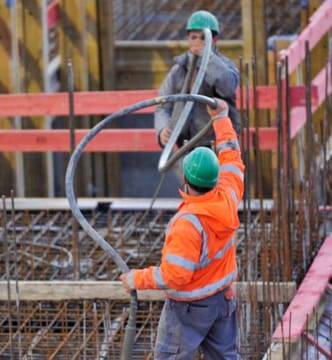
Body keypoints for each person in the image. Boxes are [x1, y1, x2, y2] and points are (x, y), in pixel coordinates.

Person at [121, 98, 244, 359]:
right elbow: (232, 155)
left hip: (189, 308)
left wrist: (137, 279)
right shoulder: (228, 196)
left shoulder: (188, 223)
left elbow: (175, 275)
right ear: (215, 177)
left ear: (186, 179)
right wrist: (221, 118)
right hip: (222, 299)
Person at [155, 10, 241, 150]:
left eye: (203, 38)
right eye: (193, 37)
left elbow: (228, 87)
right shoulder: (179, 70)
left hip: (219, 145)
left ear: (214, 41)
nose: (197, 42)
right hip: (188, 146)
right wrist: (162, 129)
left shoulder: (225, 66)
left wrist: (208, 58)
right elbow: (163, 105)